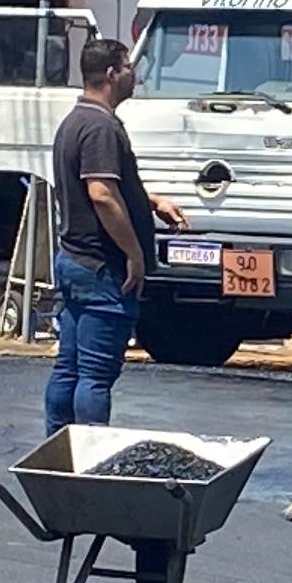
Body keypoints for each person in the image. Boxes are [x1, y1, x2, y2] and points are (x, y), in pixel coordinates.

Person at [42, 36, 183, 434]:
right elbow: (101, 195)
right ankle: (87, 458)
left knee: (69, 366)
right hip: (102, 267)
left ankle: (55, 456)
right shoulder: (100, 126)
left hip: (74, 261)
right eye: (127, 67)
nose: (133, 75)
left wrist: (150, 201)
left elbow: (106, 188)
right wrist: (135, 253)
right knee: (95, 374)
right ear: (110, 74)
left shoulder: (75, 121)